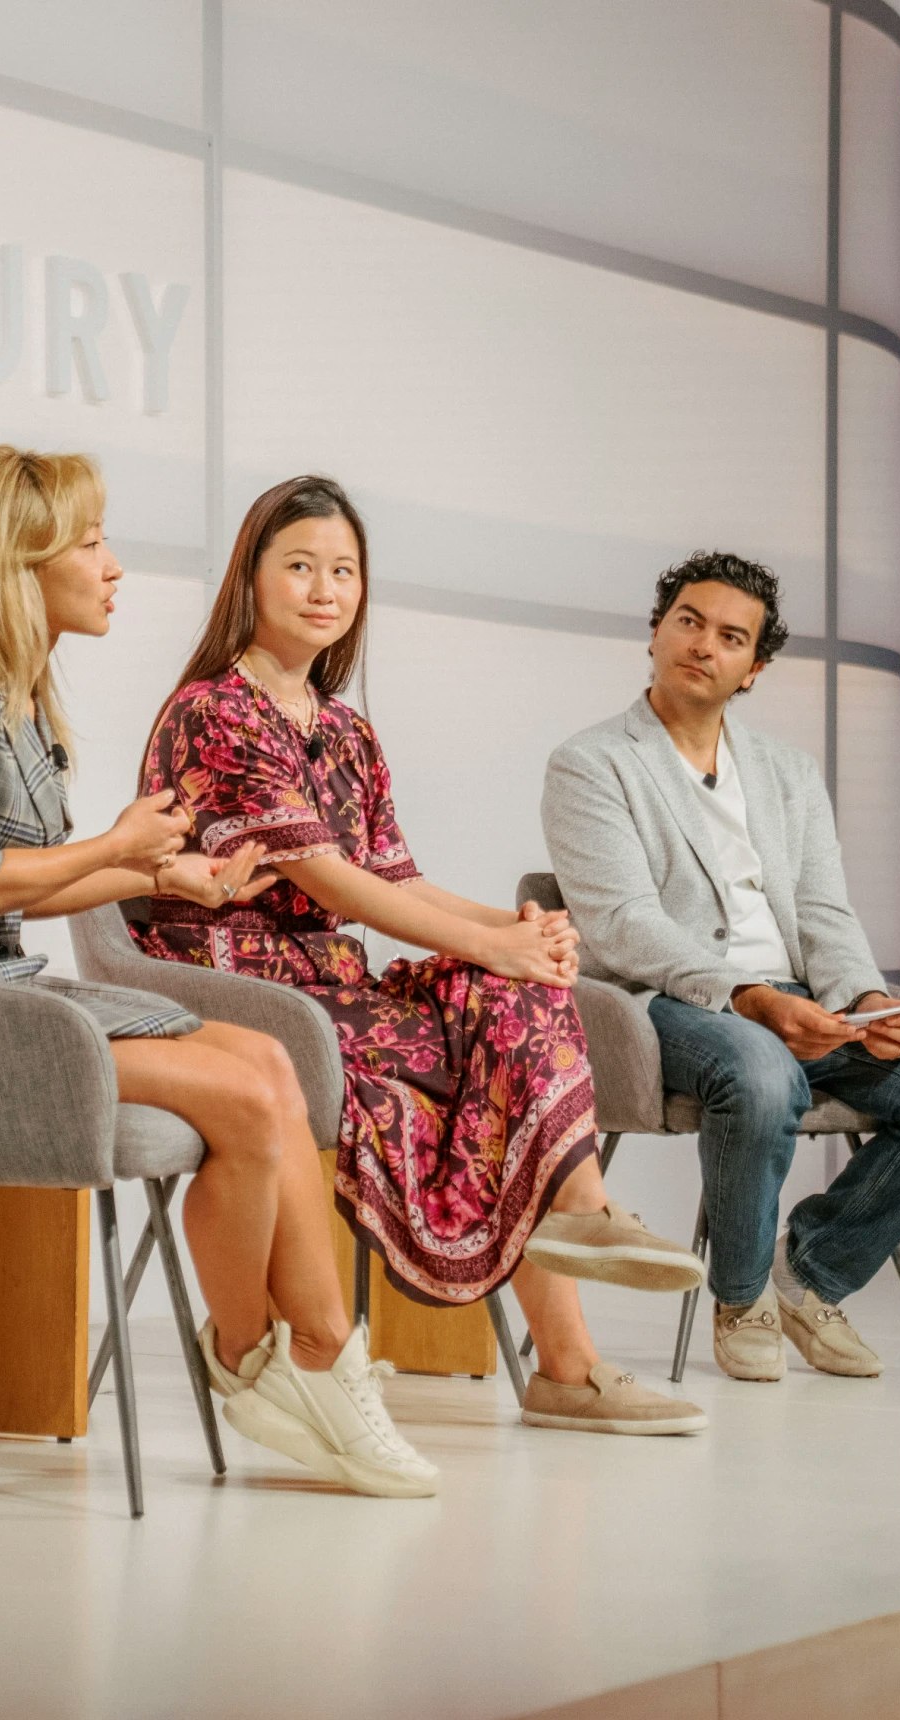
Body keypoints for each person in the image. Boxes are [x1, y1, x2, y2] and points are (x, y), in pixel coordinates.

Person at [0, 444, 439, 1498]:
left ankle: (313, 1358)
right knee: (247, 1095)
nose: (112, 565)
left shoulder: (13, 693)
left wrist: (165, 874)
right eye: (89, 543)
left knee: (271, 1064)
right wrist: (117, 847)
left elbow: (19, 887)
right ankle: (267, 1362)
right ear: (16, 559)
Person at [136, 474, 708, 1437]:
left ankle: (576, 1287)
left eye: (344, 571)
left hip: (331, 988)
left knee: (510, 1003)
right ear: (250, 577)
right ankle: (571, 1321)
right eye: (301, 567)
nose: (325, 589)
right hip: (240, 993)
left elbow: (398, 879)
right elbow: (330, 883)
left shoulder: (345, 728)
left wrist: (517, 929)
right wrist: (494, 943)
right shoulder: (215, 711)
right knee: (496, 1012)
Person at [543, 551, 900, 1381]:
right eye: (689, 622)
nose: (703, 644)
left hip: (800, 1000)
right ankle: (742, 1295)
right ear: (656, 632)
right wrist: (752, 998)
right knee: (761, 1072)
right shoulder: (592, 762)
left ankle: (808, 1271)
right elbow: (622, 924)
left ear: (753, 669)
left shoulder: (789, 774)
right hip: (665, 1004)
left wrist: (864, 997)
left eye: (731, 637)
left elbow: (825, 911)